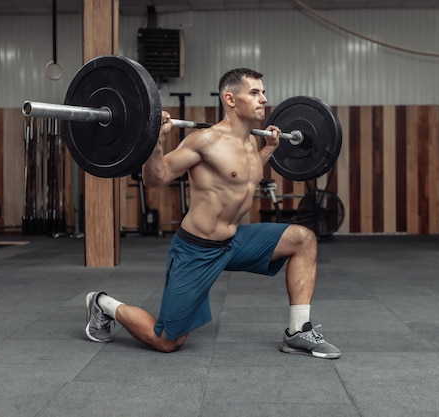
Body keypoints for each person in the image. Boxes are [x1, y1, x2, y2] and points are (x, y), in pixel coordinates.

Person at [84, 68, 340, 359]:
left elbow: (243, 178)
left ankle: (297, 332)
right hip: (197, 248)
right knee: (168, 340)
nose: (264, 99)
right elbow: (156, 179)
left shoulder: (252, 142)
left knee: (303, 238)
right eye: (254, 93)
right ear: (230, 99)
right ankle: (102, 303)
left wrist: (269, 149)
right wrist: (156, 141)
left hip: (234, 241)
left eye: (263, 92)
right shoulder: (204, 141)